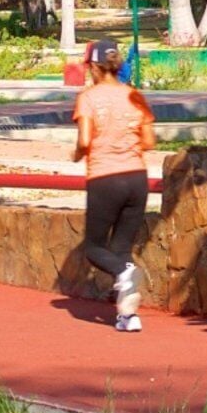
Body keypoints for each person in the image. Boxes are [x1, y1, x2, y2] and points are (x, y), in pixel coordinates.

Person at [70, 38, 154, 333]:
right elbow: (149, 141)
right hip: (136, 178)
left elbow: (84, 140)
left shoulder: (89, 98)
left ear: (94, 67)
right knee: (121, 247)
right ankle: (128, 316)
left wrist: (77, 154)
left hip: (105, 177)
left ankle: (124, 272)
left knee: (94, 247)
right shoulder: (134, 96)